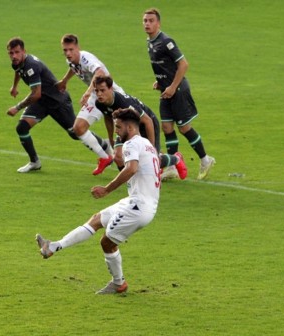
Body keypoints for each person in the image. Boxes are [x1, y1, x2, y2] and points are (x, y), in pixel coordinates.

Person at [36, 107, 161, 295]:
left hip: (138, 207)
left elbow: (131, 169)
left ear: (130, 127)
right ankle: (52, 247)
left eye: (118, 127)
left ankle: (119, 283)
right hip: (139, 202)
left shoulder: (132, 144)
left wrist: (107, 189)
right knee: (96, 219)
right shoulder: (147, 145)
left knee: (107, 243)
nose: (116, 132)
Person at [142, 8, 216, 180]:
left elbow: (183, 64)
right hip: (166, 89)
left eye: (151, 20)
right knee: (167, 127)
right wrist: (160, 82)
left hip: (178, 90)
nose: (147, 23)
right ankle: (172, 166)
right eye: (145, 20)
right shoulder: (150, 42)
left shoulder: (166, 41)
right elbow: (165, 66)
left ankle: (206, 159)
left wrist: (173, 86)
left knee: (184, 128)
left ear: (158, 23)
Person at [93, 75, 187, 179]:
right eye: (96, 91)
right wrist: (110, 138)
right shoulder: (99, 103)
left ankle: (176, 158)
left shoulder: (124, 103)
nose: (99, 94)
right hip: (127, 127)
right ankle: (130, 180)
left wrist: (151, 148)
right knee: (118, 156)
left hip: (146, 124)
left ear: (110, 89)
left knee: (151, 159)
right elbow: (108, 116)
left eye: (102, 90)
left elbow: (148, 121)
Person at [6, 37, 78, 173]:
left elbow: (36, 94)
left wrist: (17, 107)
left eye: (17, 52)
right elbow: (18, 70)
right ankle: (35, 162)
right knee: (22, 127)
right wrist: (14, 86)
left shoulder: (31, 65)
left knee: (76, 133)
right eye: (11, 53)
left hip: (57, 101)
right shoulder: (18, 62)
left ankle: (104, 146)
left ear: (24, 51)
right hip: (42, 102)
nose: (14, 56)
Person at [56, 34, 124, 175]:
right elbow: (73, 68)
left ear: (78, 48)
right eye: (65, 50)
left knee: (128, 135)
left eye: (71, 49)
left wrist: (87, 93)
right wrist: (64, 81)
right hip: (97, 96)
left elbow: (99, 72)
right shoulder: (71, 60)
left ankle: (162, 160)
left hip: (113, 96)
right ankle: (105, 157)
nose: (68, 53)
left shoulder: (85, 57)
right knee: (78, 128)